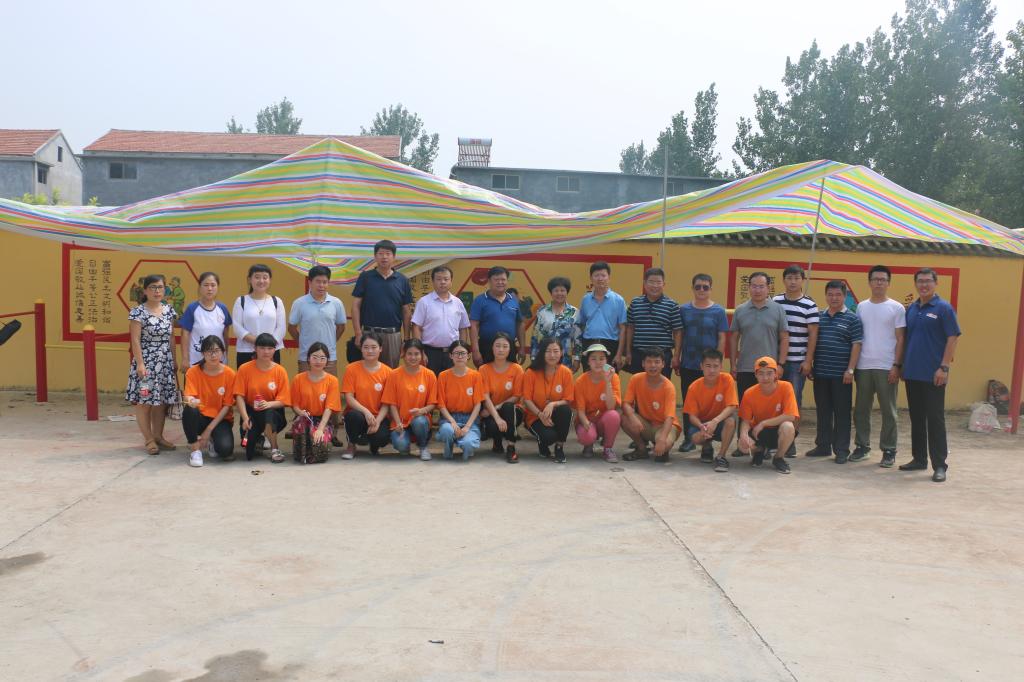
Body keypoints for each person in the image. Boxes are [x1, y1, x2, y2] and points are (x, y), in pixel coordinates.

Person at [900, 268, 961, 482]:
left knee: (935, 419)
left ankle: (940, 465)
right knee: (916, 418)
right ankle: (919, 459)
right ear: (915, 284)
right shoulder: (911, 309)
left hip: (934, 374)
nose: (924, 285)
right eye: (920, 281)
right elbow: (906, 338)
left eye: (928, 281)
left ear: (936, 283)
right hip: (912, 373)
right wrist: (902, 366)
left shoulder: (944, 308)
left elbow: (952, 338)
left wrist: (944, 367)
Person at [852, 265, 906, 467]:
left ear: (888, 283)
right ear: (869, 282)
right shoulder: (861, 307)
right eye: (875, 279)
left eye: (883, 279)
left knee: (888, 411)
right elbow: (858, 337)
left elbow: (901, 339)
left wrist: (896, 365)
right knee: (861, 410)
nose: (879, 283)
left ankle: (889, 450)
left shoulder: (897, 308)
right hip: (864, 366)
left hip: (886, 366)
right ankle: (862, 446)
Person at [288, 265, 347, 444]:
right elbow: (292, 327)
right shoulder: (300, 303)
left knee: (331, 397)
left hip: (329, 359)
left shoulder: (336, 303)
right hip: (306, 358)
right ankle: (302, 428)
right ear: (310, 282)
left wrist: (329, 345)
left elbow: (341, 326)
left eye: (325, 282)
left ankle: (333, 432)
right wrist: (303, 344)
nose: (322, 285)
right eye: (318, 281)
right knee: (305, 395)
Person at [806, 281, 863, 463]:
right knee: (823, 411)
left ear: (844, 296)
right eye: (830, 294)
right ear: (826, 296)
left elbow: (856, 345)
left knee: (842, 413)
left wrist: (850, 370)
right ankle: (823, 446)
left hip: (842, 376)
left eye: (838, 294)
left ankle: (841, 450)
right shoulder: (819, 317)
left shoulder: (852, 319)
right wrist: (810, 364)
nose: (834, 298)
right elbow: (812, 342)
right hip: (821, 373)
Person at [126, 274, 180, 456]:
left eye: (160, 287)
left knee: (161, 401)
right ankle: (149, 439)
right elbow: (135, 340)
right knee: (144, 402)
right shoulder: (138, 312)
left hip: (165, 363)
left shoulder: (169, 310)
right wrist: (140, 364)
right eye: (153, 287)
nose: (157, 291)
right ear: (145, 291)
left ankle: (158, 436)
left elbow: (171, 337)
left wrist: (174, 359)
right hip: (147, 363)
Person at [676, 273, 729, 453]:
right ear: (693, 288)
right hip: (689, 363)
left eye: (705, 287)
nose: (701, 290)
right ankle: (689, 438)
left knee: (710, 404)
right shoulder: (684, 310)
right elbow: (680, 335)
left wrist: (718, 361)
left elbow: (722, 337)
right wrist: (677, 356)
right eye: (698, 286)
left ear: (710, 289)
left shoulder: (718, 311)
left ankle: (709, 438)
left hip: (710, 367)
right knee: (689, 403)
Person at [772, 265, 818, 456]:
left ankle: (790, 443)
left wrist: (808, 361)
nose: (793, 282)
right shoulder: (775, 301)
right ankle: (773, 440)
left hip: (797, 363)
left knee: (793, 403)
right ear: (783, 280)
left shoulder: (809, 305)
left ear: (803, 280)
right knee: (773, 401)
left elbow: (813, 334)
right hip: (775, 362)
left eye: (796, 278)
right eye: (789, 278)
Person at [730, 271, 789, 413]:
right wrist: (733, 364)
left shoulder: (778, 309)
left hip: (769, 370)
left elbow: (785, 338)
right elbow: (733, 338)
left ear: (768, 288)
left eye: (761, 286)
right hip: (745, 368)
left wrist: (781, 364)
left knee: (769, 410)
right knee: (745, 409)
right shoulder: (740, 310)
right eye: (754, 286)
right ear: (749, 287)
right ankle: (744, 429)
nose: (757, 290)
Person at [351, 240, 413, 369]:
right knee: (368, 371)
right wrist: (358, 333)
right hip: (369, 333)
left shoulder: (402, 280)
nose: (384, 257)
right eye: (380, 253)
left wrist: (406, 339)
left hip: (393, 335)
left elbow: (406, 311)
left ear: (394, 257)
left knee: (390, 372)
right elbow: (355, 306)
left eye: (388, 253)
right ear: (375, 256)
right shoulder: (365, 277)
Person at [233, 333, 291, 463]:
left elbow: (284, 400)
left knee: (268, 413)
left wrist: (268, 404)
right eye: (262, 348)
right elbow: (239, 396)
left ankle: (274, 448)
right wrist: (245, 418)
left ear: (274, 350)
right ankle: (259, 437)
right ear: (255, 348)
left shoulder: (280, 371)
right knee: (249, 453)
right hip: (251, 413)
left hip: (274, 413)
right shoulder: (244, 369)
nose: (266, 352)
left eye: (270, 348)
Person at [181, 335, 236, 467]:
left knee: (225, 450)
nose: (213, 355)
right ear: (202, 353)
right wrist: (191, 400)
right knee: (190, 410)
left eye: (216, 351)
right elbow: (189, 396)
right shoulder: (193, 372)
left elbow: (227, 406)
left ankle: (212, 440)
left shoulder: (230, 374)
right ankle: (195, 449)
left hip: (220, 419)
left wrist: (208, 431)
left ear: (223, 352)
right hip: (200, 416)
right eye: (209, 351)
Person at [737, 357, 797, 474]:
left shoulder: (786, 387)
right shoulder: (749, 393)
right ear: (755, 375)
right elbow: (745, 420)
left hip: (778, 431)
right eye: (761, 373)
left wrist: (764, 423)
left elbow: (791, 416)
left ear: (776, 374)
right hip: (758, 433)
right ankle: (759, 451)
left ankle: (778, 458)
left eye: (769, 373)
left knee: (788, 426)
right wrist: (743, 435)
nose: (765, 378)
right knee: (742, 446)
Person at [682, 348, 738, 472]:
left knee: (731, 421)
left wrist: (715, 421)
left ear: (721, 367)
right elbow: (692, 416)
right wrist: (701, 426)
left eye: (715, 366)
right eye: (708, 366)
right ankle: (706, 447)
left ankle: (721, 456)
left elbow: (732, 406)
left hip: (719, 422)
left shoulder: (727, 379)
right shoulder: (693, 387)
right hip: (702, 424)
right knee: (695, 438)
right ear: (701, 366)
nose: (712, 370)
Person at [621, 347, 682, 463]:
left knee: (664, 445)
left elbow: (669, 417)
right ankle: (641, 449)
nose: (653, 365)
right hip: (646, 423)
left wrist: (662, 439)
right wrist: (633, 417)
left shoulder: (669, 387)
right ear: (643, 364)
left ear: (663, 364)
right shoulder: (635, 379)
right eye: (649, 362)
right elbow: (626, 404)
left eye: (657, 362)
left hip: (664, 426)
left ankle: (662, 447)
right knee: (625, 418)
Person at [341, 331, 394, 458]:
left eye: (374, 347)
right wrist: (366, 412)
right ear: (361, 349)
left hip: (378, 416)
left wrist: (378, 421)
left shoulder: (388, 372)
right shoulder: (351, 369)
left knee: (382, 437)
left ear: (380, 349)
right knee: (353, 417)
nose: (370, 351)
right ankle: (351, 445)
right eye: (366, 347)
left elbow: (387, 402)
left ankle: (374, 445)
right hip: (358, 414)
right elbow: (349, 397)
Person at [382, 339, 438, 460]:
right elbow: (391, 403)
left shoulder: (429, 375)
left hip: (420, 419)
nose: (413, 357)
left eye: (416, 354)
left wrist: (421, 411)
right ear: (404, 354)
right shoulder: (394, 375)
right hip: (400, 422)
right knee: (401, 445)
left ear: (422, 355)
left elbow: (433, 403)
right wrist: (398, 423)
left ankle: (423, 446)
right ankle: (405, 445)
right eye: (410, 354)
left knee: (419, 422)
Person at [523, 337, 576, 463]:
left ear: (561, 353)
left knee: (565, 410)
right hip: (535, 416)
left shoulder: (566, 372)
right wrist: (540, 415)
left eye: (556, 351)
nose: (552, 355)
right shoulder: (531, 372)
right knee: (548, 437)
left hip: (555, 414)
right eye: (548, 351)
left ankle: (559, 447)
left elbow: (568, 399)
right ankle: (542, 444)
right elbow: (527, 399)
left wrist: (552, 404)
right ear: (542, 352)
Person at [624, 267, 682, 378]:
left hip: (662, 356)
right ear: (645, 284)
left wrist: (676, 356)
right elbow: (630, 328)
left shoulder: (672, 305)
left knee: (662, 387)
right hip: (639, 355)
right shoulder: (635, 303)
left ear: (664, 284)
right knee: (639, 385)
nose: (655, 286)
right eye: (651, 282)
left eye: (658, 282)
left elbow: (678, 332)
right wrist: (628, 352)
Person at [289, 342, 342, 463]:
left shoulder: (332, 381)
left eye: (322, 358)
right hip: (304, 417)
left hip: (322, 419)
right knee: (301, 447)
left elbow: (329, 407)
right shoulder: (298, 379)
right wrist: (300, 413)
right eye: (315, 357)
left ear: (327, 360)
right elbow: (295, 405)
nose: (318, 361)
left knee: (320, 446)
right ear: (308, 358)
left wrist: (320, 429)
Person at [411, 265, 470, 373]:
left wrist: (461, 351)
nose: (442, 282)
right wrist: (420, 352)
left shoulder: (458, 303)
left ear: (451, 281)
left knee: (451, 382)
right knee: (431, 381)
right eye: (438, 279)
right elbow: (416, 327)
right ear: (433, 281)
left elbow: (463, 328)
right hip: (430, 353)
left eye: (446, 279)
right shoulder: (424, 302)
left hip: (453, 353)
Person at [479, 332, 526, 463]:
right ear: (492, 348)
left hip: (513, 410)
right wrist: (496, 416)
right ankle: (497, 441)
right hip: (491, 410)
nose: (501, 349)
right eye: (497, 346)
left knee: (508, 407)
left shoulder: (517, 369)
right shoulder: (483, 369)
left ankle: (511, 447)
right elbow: (485, 396)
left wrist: (497, 408)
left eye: (505, 346)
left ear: (510, 349)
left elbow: (517, 396)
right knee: (493, 426)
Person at [435, 340, 485, 461]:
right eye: (456, 353)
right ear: (451, 356)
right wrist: (452, 422)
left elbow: (478, 404)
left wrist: (467, 426)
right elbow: (441, 404)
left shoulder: (475, 376)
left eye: (463, 353)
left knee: (468, 444)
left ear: (468, 356)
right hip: (449, 418)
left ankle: (463, 442)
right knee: (447, 430)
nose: (460, 356)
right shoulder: (443, 376)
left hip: (469, 419)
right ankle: (449, 446)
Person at [574, 343, 622, 463]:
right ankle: (588, 444)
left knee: (614, 415)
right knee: (588, 435)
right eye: (593, 359)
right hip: (587, 420)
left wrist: (608, 382)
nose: (598, 362)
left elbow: (611, 407)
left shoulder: (613, 377)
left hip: (603, 420)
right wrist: (587, 425)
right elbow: (580, 411)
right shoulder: (580, 381)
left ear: (606, 361)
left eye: (602, 358)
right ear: (588, 362)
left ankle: (608, 448)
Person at [469, 266, 525, 366]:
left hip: (509, 346)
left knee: (510, 374)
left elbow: (520, 324)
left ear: (507, 281)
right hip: (486, 347)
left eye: (503, 279)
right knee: (485, 375)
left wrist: (522, 348)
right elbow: (474, 326)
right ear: (489, 281)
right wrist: (475, 351)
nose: (500, 282)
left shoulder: (514, 300)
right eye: (496, 279)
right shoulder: (479, 300)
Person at [577, 261, 628, 370]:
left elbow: (623, 329)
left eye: (603, 275)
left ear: (609, 278)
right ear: (591, 278)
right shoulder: (586, 299)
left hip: (610, 345)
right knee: (589, 377)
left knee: (609, 377)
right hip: (589, 343)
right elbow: (581, 325)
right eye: (596, 275)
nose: (600, 279)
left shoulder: (618, 300)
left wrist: (619, 354)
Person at [232, 264, 286, 366]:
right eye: (257, 277)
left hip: (271, 351)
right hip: (246, 351)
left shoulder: (276, 301)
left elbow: (281, 328)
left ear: (270, 280)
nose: (261, 281)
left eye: (265, 277)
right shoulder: (241, 301)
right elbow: (237, 328)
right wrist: (259, 343)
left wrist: (267, 346)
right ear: (249, 279)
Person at [178, 271, 232, 372]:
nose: (209, 288)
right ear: (200, 287)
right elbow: (184, 335)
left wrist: (225, 355)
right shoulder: (192, 308)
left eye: (213, 285)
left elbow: (225, 335)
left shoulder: (222, 309)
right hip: (196, 361)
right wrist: (185, 359)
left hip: (218, 361)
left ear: (217, 287)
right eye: (206, 285)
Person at [530, 276, 580, 370]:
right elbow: (535, 336)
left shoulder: (575, 312)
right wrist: (533, 356)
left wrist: (577, 359)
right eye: (556, 290)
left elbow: (578, 338)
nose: (559, 293)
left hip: (565, 359)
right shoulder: (542, 311)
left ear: (567, 292)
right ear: (551, 292)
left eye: (562, 290)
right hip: (544, 358)